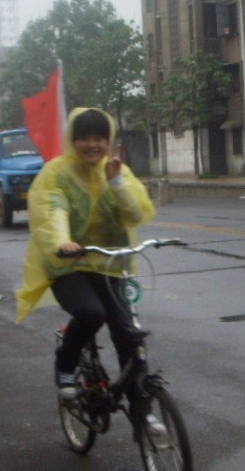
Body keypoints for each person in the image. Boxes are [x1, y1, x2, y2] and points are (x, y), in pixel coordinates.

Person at [16, 108, 156, 400]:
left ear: (108, 140)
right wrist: (62, 241)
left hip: (111, 267)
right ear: (73, 140)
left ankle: (140, 407)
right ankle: (65, 365)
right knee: (91, 314)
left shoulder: (117, 170)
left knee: (126, 334)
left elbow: (135, 215)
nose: (92, 145)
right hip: (70, 267)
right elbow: (52, 211)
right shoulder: (56, 173)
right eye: (84, 138)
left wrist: (116, 183)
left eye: (98, 138)